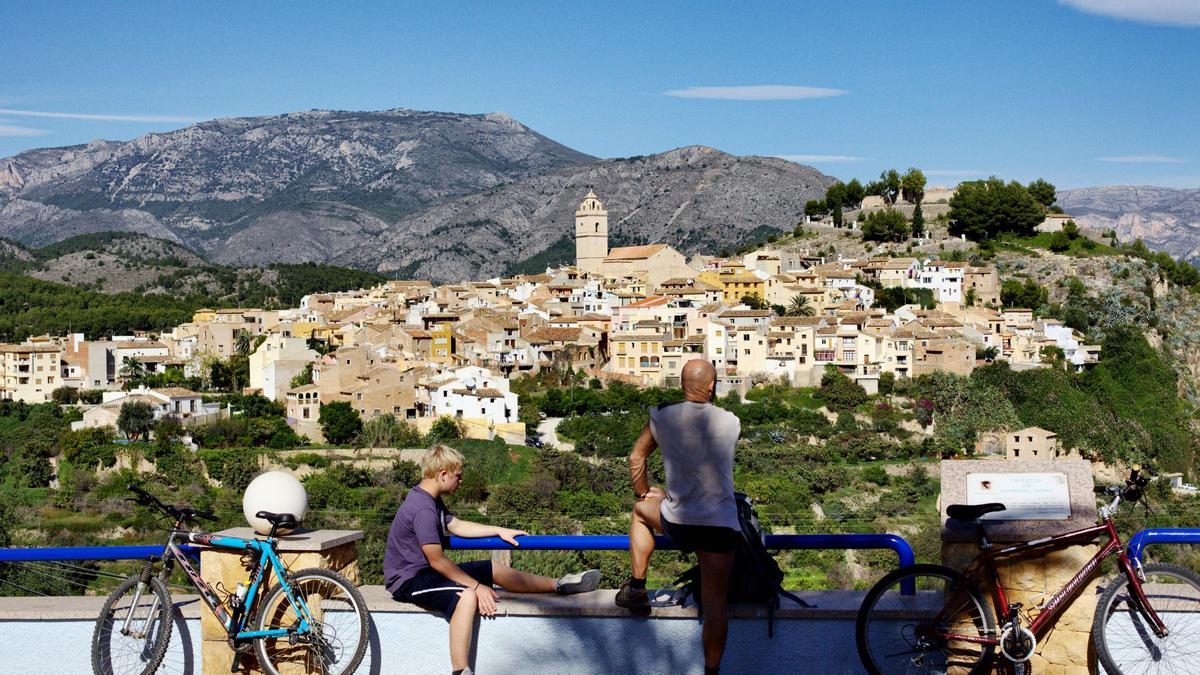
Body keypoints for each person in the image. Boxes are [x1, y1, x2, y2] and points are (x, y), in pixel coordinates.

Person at [385, 444, 601, 675]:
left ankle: (558, 584)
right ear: (443, 474)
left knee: (491, 568)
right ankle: (460, 670)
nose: (461, 481)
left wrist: (499, 530)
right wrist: (477, 587)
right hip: (408, 581)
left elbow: (456, 525)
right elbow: (437, 560)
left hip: (426, 573)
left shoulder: (429, 499)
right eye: (458, 476)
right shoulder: (422, 508)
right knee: (466, 595)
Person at [616, 359, 741, 675]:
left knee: (640, 513)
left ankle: (637, 588)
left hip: (680, 522)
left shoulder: (662, 416)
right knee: (715, 605)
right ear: (712, 387)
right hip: (720, 526)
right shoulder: (730, 421)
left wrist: (645, 492)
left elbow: (636, 457)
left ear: (681, 384)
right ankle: (711, 671)